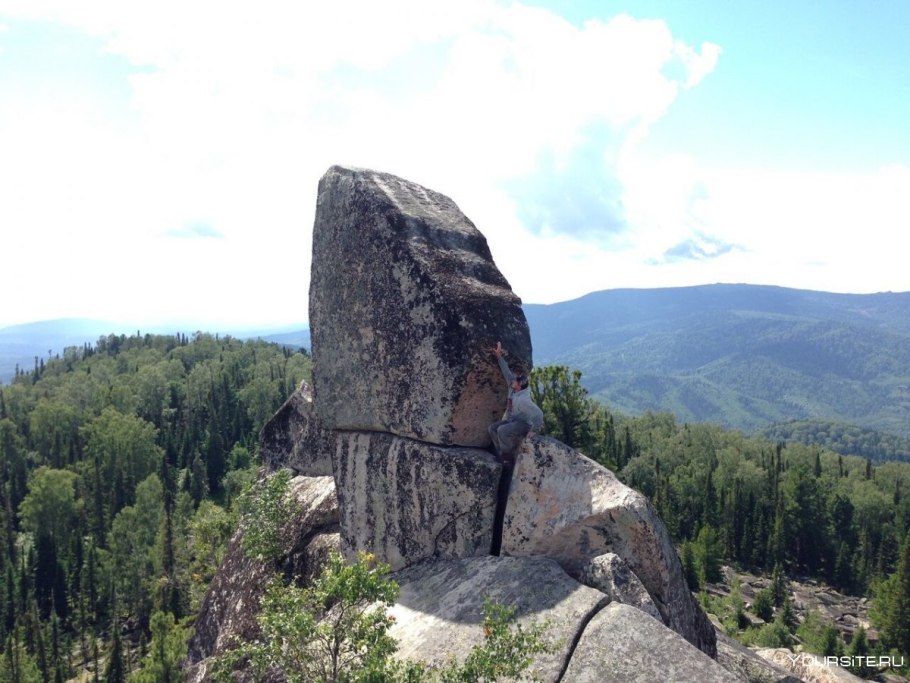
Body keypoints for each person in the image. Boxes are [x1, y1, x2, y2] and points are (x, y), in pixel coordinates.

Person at [488, 341, 544, 465]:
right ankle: (501, 453)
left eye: (515, 381)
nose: (512, 380)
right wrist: (498, 356)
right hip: (512, 419)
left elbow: (539, 414)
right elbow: (506, 371)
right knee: (492, 428)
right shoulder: (513, 386)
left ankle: (507, 457)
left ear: (519, 386)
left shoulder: (523, 400)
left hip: (523, 423)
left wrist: (534, 430)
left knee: (502, 430)